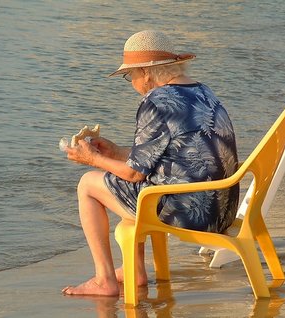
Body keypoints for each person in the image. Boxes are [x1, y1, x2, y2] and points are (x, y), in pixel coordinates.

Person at [62, 30, 239, 296]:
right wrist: (116, 151)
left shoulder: (155, 102)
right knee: (135, 184)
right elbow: (172, 154)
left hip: (190, 214)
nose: (131, 81)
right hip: (222, 208)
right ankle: (134, 270)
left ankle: (104, 279)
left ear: (145, 72)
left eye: (129, 75)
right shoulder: (203, 91)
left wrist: (93, 159)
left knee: (88, 184)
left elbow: (134, 174)